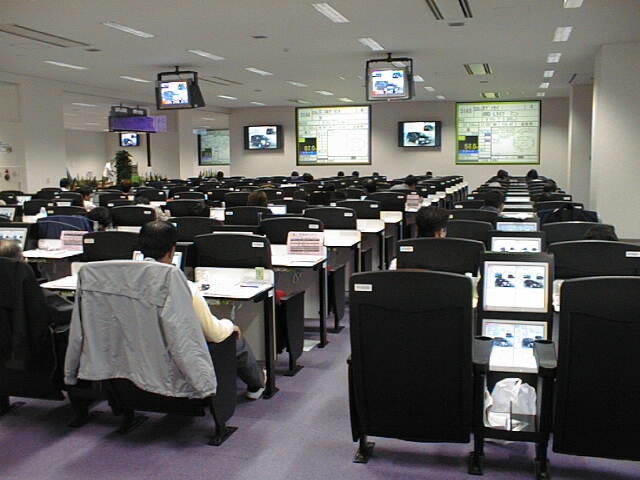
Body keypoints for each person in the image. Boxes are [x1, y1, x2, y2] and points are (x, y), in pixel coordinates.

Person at [138, 221, 265, 400]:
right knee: (235, 337)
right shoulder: (185, 288)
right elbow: (213, 333)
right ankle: (257, 384)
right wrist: (230, 326)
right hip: (180, 359)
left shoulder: (125, 285)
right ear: (172, 251)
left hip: (142, 355)